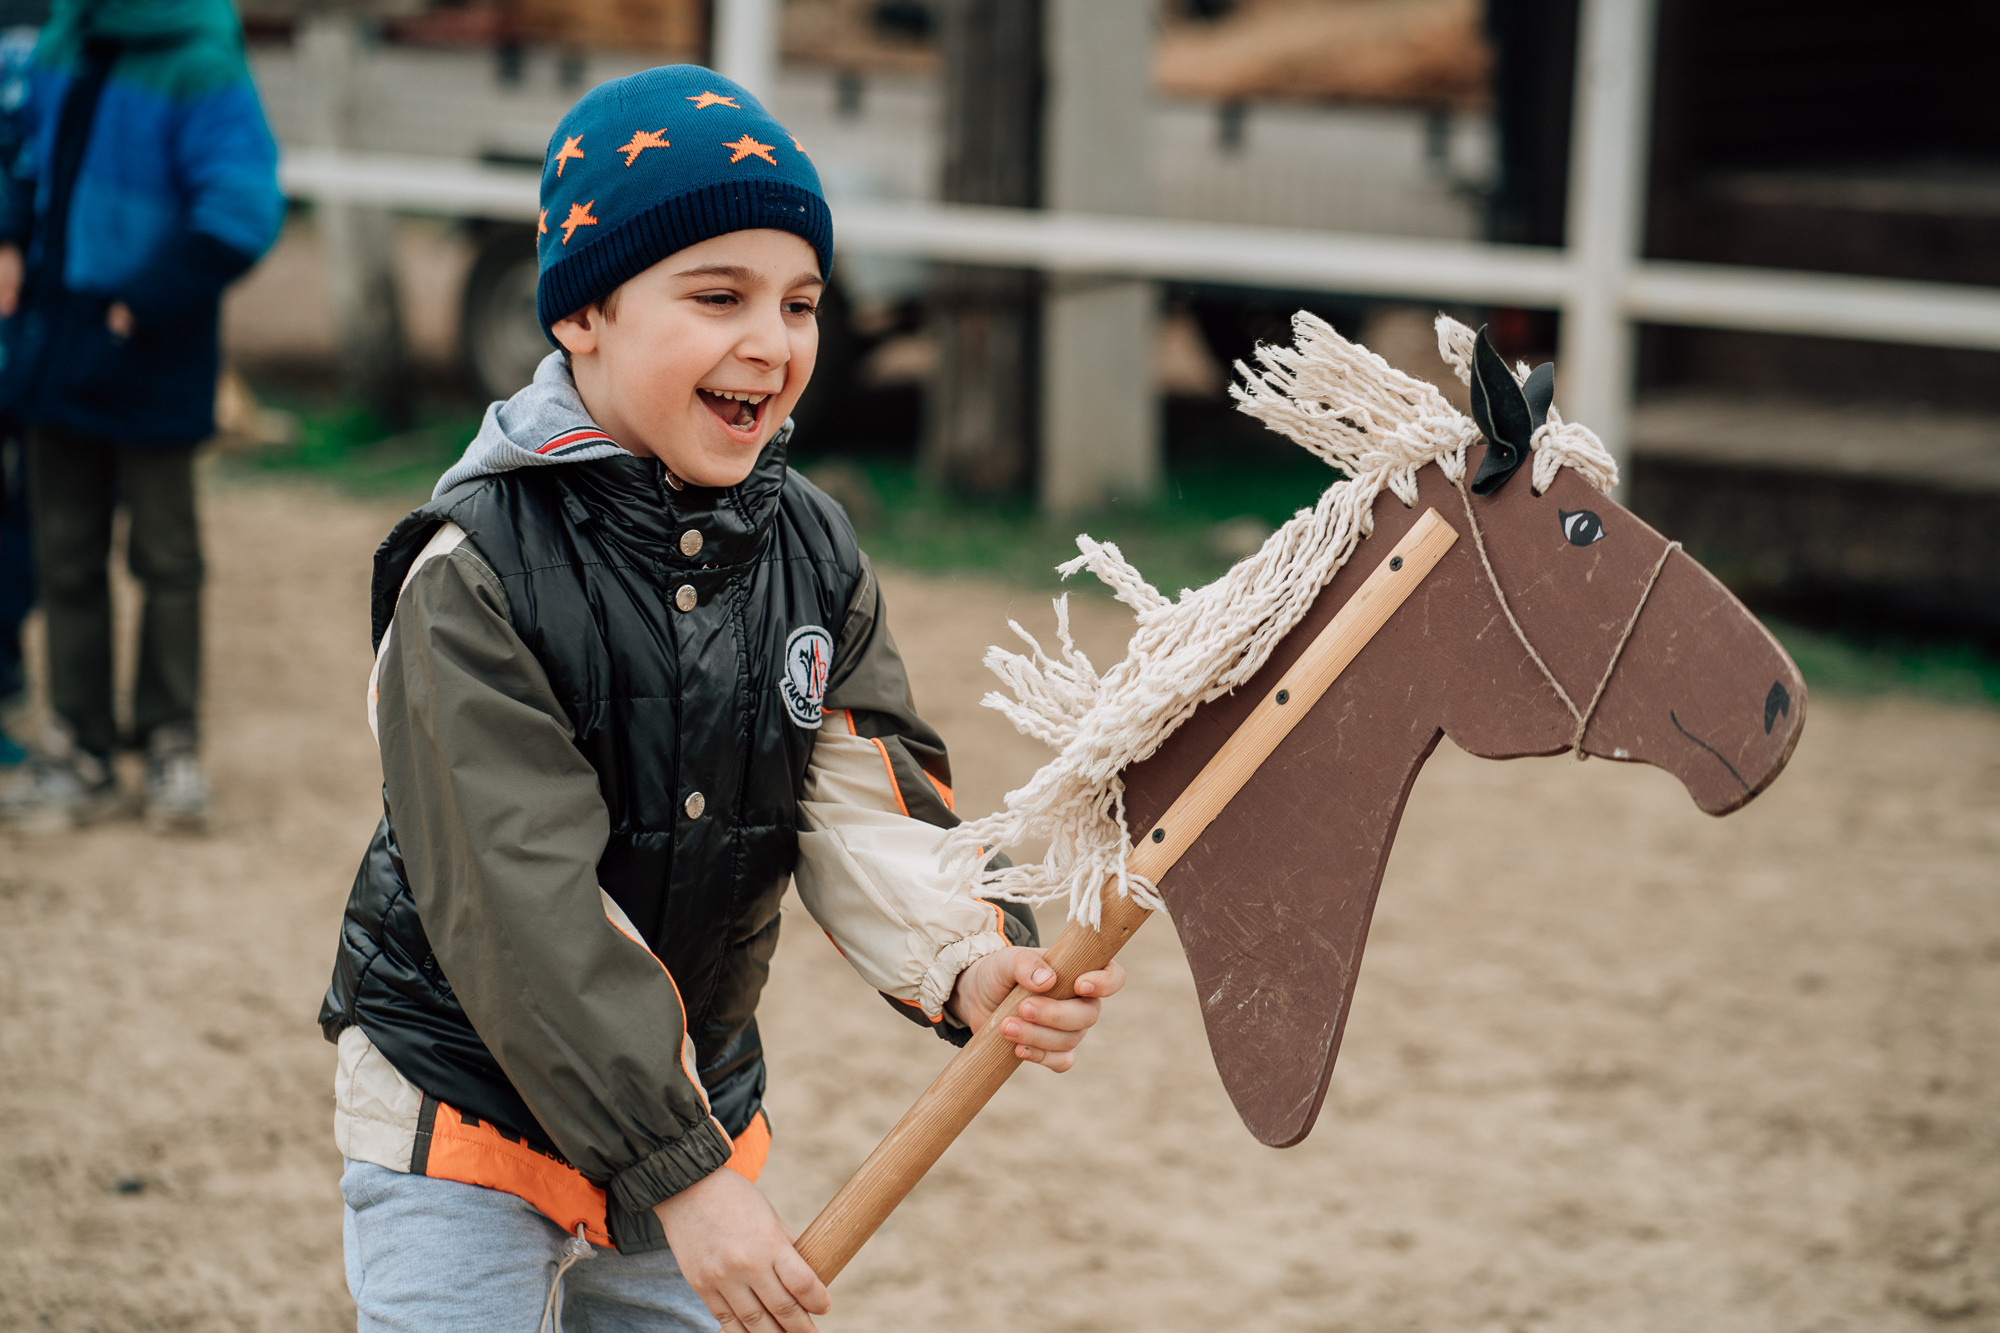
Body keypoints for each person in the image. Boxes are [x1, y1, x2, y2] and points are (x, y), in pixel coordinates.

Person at [319, 66, 1125, 1333]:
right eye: (717, 296)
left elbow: (866, 806)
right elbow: (516, 899)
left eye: (801, 302)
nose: (773, 340)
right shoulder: (474, 566)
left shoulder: (808, 551)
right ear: (583, 313)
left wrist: (969, 962)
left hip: (687, 1102)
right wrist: (682, 1169)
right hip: (464, 1101)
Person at [0, 0, 281, 830]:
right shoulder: (68, 33)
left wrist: (141, 304)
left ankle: (170, 746)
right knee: (64, 554)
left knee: (166, 556)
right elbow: (23, 156)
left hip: (153, 346)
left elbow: (241, 207)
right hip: (54, 336)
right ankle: (79, 750)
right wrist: (10, 238)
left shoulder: (201, 57)